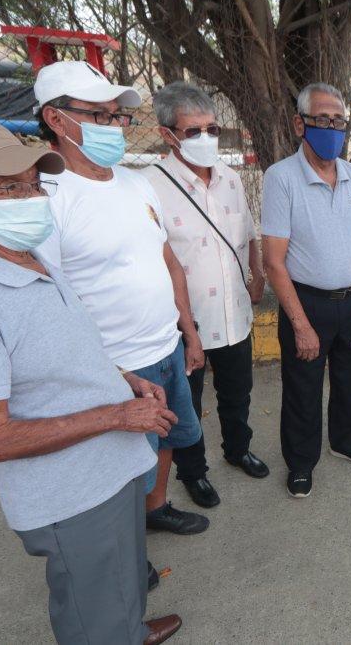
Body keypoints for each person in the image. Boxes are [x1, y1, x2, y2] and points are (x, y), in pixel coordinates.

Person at [0, 115, 182, 644]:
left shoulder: (24, 256)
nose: (31, 197)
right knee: (89, 607)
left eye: (34, 184)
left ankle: (128, 628)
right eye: (10, 187)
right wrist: (118, 415)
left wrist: (124, 380)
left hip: (110, 468)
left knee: (118, 578)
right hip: (70, 496)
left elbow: (61, 352)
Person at [32, 61, 209, 536]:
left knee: (167, 435)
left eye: (118, 116)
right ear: (55, 119)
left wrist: (187, 333)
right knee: (119, 465)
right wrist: (112, 373)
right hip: (112, 367)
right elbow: (47, 302)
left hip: (165, 348)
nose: (114, 127)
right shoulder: (46, 197)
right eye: (100, 116)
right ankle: (125, 545)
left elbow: (167, 259)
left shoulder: (134, 181)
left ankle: (156, 508)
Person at [142, 81, 269, 510]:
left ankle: (237, 449)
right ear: (168, 134)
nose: (206, 139)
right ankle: (193, 473)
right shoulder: (149, 187)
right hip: (185, 322)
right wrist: (184, 327)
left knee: (238, 392)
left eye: (212, 129)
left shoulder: (231, 178)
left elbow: (248, 231)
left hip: (234, 311)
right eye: (192, 131)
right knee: (187, 404)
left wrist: (257, 274)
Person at [261, 82, 351, 498]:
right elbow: (274, 261)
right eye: (323, 120)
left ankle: (345, 442)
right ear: (301, 124)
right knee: (303, 388)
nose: (333, 129)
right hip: (306, 302)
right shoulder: (281, 179)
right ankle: (300, 463)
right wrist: (300, 325)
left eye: (340, 122)